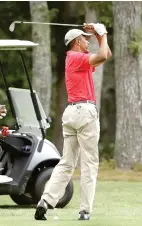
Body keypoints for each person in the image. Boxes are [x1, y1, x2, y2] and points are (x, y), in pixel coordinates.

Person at [34, 23, 112, 221]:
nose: (88, 41)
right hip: (85, 112)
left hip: (71, 114)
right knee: (89, 163)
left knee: (67, 162)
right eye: (85, 38)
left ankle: (45, 200)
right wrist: (102, 32)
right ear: (77, 41)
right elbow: (102, 55)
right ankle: (85, 210)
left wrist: (99, 35)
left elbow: (106, 54)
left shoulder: (75, 59)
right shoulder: (77, 57)